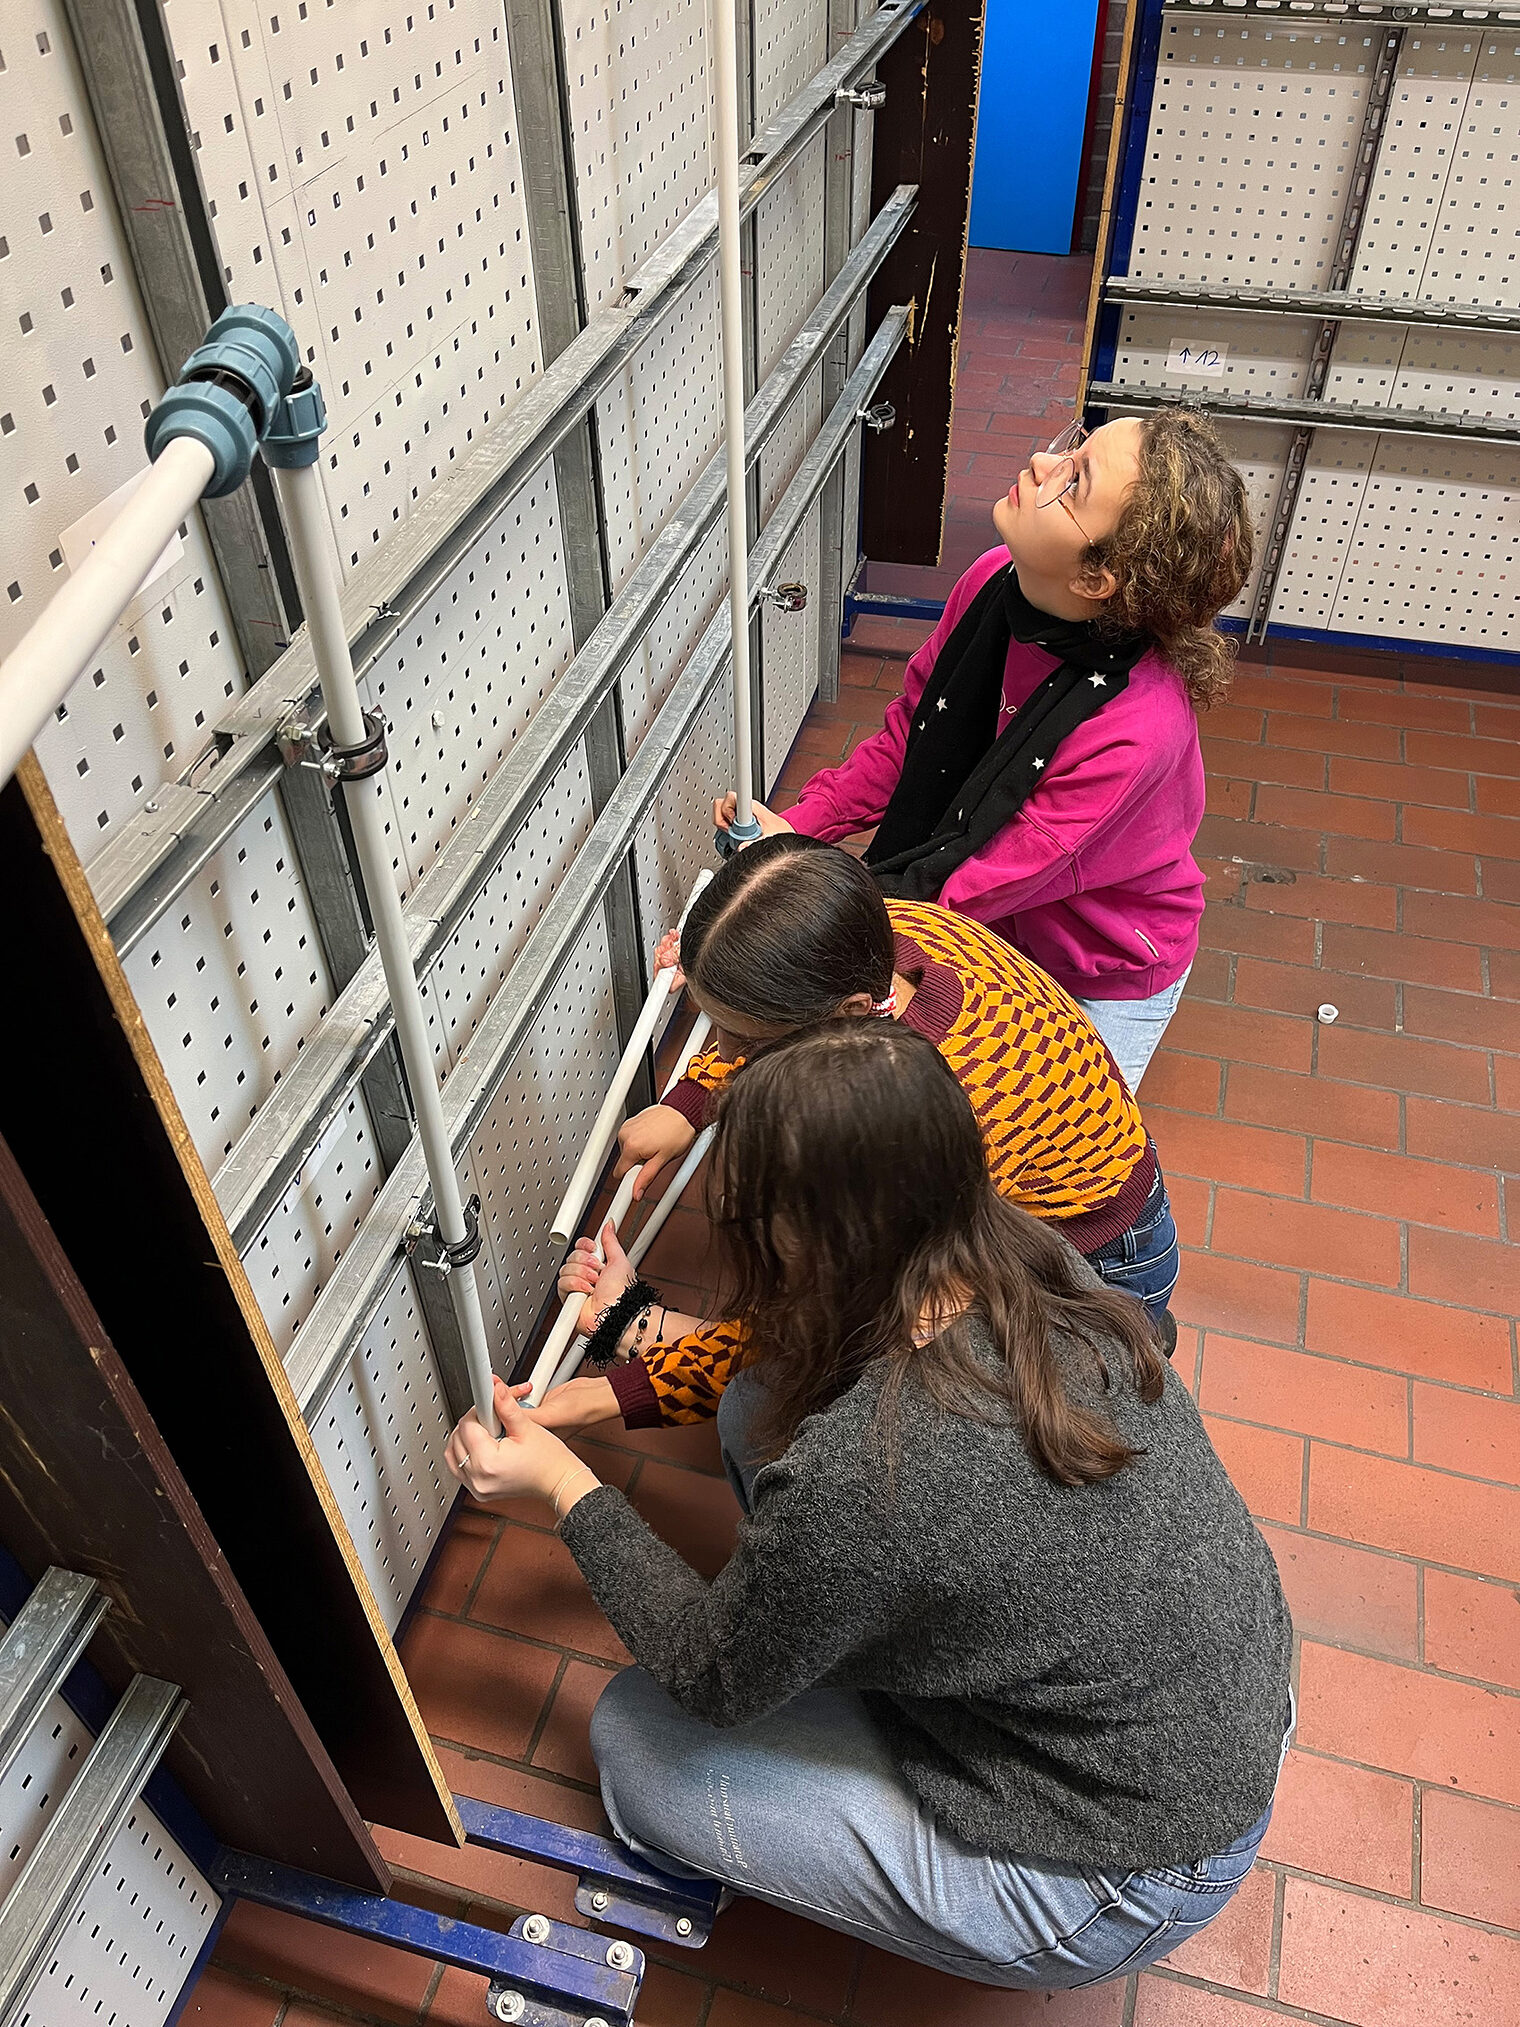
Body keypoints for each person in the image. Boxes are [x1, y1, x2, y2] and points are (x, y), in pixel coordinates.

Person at [448, 1023, 1294, 1990]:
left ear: (807, 1244)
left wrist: (564, 1483)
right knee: (757, 1401)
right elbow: (803, 1346)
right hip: (1209, 1709)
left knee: (641, 1742)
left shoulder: (874, 1470)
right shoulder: (1020, 1252)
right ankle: (834, 1634)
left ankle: (1025, 1903)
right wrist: (637, 1327)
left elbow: (710, 1673)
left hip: (1128, 1864)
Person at [539, 831, 1180, 1437]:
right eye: (715, 1025)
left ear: (845, 1018)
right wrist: (690, 1102)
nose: (724, 1050)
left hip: (1094, 1259)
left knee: (822, 1401)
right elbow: (782, 1026)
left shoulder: (908, 1115)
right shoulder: (883, 935)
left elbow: (830, 1315)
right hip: (1077, 1204)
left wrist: (621, 1380)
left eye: (741, 1040)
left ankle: (1116, 1344)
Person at [712, 408, 1253, 1090]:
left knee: (1040, 1156)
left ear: (1094, 579)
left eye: (1075, 480)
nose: (1041, 462)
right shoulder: (996, 580)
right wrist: (798, 827)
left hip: (1101, 967)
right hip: (998, 921)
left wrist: (783, 904)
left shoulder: (1135, 728)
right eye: (1075, 446)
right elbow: (910, 736)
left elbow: (978, 883)